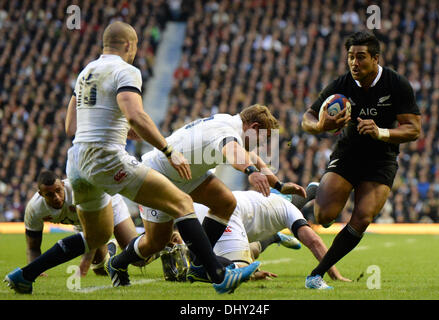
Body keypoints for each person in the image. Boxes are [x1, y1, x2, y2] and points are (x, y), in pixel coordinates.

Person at [4, 21, 260, 295]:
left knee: (97, 236)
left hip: (77, 162)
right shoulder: (126, 71)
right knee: (182, 202)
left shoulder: (86, 73)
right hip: (106, 158)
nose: (135, 52)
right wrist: (169, 151)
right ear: (129, 45)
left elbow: (71, 127)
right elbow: (135, 114)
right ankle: (218, 275)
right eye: (136, 47)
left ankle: (24, 275)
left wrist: (120, 129)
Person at [110, 104, 306, 283]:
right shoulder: (225, 130)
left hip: (187, 175)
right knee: (156, 242)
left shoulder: (229, 123)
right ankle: (117, 263)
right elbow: (234, 153)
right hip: (159, 173)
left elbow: (251, 157)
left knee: (226, 202)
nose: (260, 145)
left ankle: (199, 266)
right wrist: (250, 172)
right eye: (262, 139)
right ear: (254, 128)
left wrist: (279, 185)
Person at [301, 31, 421, 289]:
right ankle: (319, 191)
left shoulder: (396, 84)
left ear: (376, 59)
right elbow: (307, 118)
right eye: (351, 57)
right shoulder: (341, 85)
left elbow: (413, 129)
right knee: (323, 218)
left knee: (363, 217)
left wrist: (381, 132)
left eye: (361, 57)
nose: (355, 63)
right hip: (348, 156)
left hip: (382, 160)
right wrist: (321, 125)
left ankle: (316, 274)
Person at [190, 183, 351, 282]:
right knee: (238, 270)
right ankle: (274, 236)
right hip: (232, 214)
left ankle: (274, 236)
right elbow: (314, 242)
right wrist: (335, 274)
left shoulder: (263, 200)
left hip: (217, 208)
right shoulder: (288, 209)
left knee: (210, 254)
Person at [24, 170, 137, 277]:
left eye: (58, 190)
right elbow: (33, 247)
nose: (56, 198)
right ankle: (110, 248)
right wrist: (35, 271)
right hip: (84, 222)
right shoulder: (34, 209)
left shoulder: (79, 191)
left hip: (108, 203)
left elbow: (95, 231)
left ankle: (153, 240)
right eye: (49, 194)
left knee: (137, 258)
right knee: (101, 270)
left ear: (63, 185)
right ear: (40, 194)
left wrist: (83, 267)